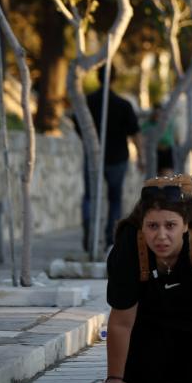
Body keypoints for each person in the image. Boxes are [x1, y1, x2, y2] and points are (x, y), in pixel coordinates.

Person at [90, 174, 192, 383]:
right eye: (152, 226)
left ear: (185, 225)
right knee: (138, 376)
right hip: (154, 315)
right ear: (141, 227)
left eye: (170, 225)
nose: (161, 236)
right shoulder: (128, 246)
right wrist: (115, 377)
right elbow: (121, 322)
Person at [78, 65, 143, 252]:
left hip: (93, 158)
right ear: (114, 78)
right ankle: (110, 239)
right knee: (115, 199)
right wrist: (141, 157)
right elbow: (136, 133)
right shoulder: (123, 104)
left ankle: (90, 234)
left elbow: (77, 124)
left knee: (90, 197)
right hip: (117, 158)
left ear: (97, 78)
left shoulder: (87, 102)